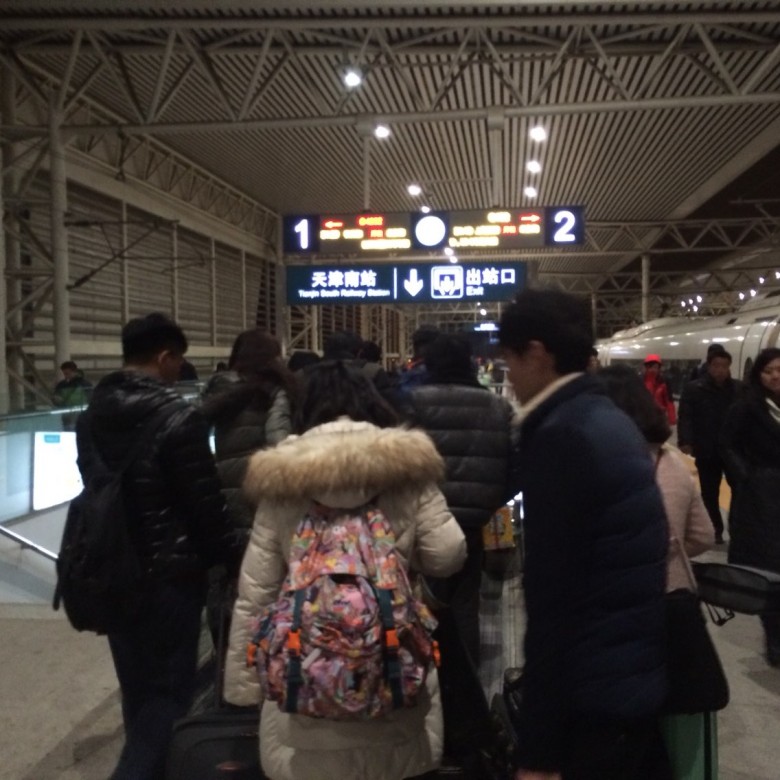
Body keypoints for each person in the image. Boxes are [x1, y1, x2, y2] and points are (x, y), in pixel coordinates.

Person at [223, 360, 466, 780]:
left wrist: (244, 687)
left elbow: (257, 591)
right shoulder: (407, 471)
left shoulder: (281, 480)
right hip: (392, 683)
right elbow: (447, 554)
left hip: (304, 694)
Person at [499, 289, 669, 780]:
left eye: (510, 361)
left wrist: (539, 751)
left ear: (537, 353)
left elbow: (555, 602)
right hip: (626, 680)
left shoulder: (563, 436)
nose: (508, 377)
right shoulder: (607, 419)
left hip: (590, 697)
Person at [75, 313, 240, 780]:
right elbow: (204, 502)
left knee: (137, 691)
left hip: (110, 568)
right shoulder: (178, 417)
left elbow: (93, 483)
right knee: (169, 692)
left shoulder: (90, 416)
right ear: (165, 357)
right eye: (178, 360)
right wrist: (230, 558)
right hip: (170, 575)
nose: (179, 370)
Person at [406, 332, 514, 666]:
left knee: (422, 598)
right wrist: (492, 501)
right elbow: (517, 464)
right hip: (474, 521)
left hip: (422, 520)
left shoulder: (413, 402)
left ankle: (427, 671)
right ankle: (466, 676)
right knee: (467, 601)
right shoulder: (497, 406)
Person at [600, 364, 714, 590]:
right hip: (674, 589)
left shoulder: (597, 462)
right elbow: (704, 536)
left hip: (614, 590)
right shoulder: (674, 463)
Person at [720, 347, 780, 667]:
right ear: (758, 374)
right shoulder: (746, 406)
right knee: (771, 568)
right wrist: (745, 478)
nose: (776, 376)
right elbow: (727, 444)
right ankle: (775, 637)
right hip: (763, 496)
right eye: (769, 371)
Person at [677, 348, 743, 544]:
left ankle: (736, 527)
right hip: (706, 448)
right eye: (716, 366)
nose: (720, 370)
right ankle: (715, 528)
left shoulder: (739, 389)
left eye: (724, 366)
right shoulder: (694, 389)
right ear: (709, 366)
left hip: (733, 449)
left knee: (739, 488)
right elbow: (685, 416)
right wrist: (685, 441)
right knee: (709, 491)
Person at [643, 354, 677, 426]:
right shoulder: (640, 381)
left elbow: (669, 400)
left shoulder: (664, 381)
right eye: (650, 367)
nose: (653, 369)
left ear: (659, 368)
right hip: (644, 416)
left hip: (660, 416)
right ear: (646, 367)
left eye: (655, 367)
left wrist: (672, 418)